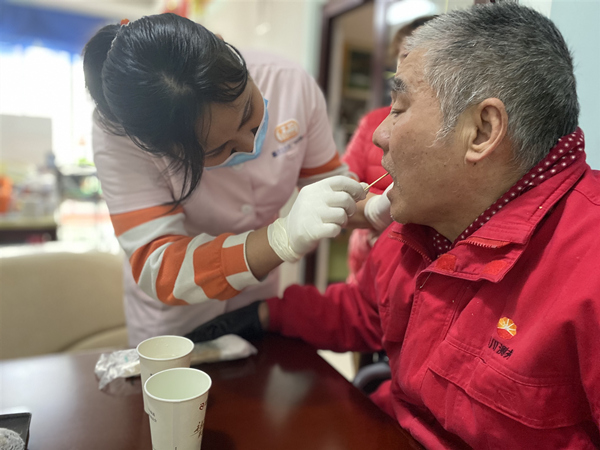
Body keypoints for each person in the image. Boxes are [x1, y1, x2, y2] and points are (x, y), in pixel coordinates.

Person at [184, 2, 600, 448]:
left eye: (399, 108)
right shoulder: (426, 223)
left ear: (481, 130)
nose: (379, 134)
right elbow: (364, 311)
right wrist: (262, 314)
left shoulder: (588, 265)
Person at [83, 14, 389, 346]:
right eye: (219, 149)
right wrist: (279, 239)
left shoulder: (289, 83)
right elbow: (161, 265)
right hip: (177, 318)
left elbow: (331, 186)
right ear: (162, 149)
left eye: (248, 113)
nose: (249, 144)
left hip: (257, 301)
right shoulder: (122, 138)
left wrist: (377, 208)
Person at [342, 15, 436, 284]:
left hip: (417, 272)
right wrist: (377, 209)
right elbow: (339, 192)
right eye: (403, 56)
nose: (381, 136)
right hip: (367, 266)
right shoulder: (373, 124)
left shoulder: (446, 129)